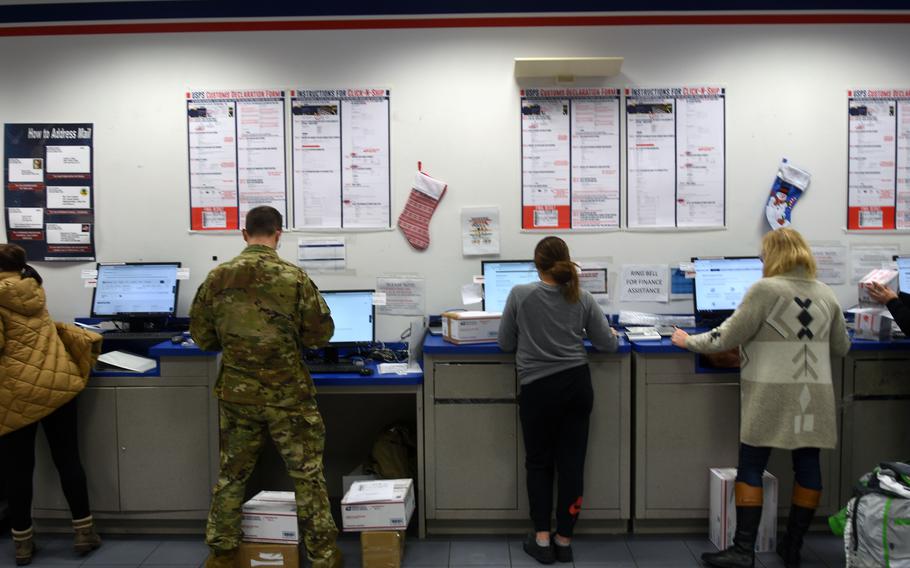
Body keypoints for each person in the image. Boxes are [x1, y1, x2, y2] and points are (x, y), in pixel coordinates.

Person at [671, 228, 850, 568]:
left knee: (752, 465)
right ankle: (793, 546)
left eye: (764, 255)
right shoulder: (826, 294)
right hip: (813, 396)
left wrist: (687, 341)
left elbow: (726, 335)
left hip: (771, 391)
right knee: (808, 465)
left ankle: (742, 551)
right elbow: (842, 347)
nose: (762, 260)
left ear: (773, 256)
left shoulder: (765, 290)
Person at [190, 206, 342, 568]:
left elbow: (203, 338)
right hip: (288, 394)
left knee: (232, 474)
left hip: (237, 395)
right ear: (278, 234)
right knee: (307, 475)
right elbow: (321, 335)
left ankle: (222, 554)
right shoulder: (294, 277)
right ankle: (322, 556)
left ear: (244, 234)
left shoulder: (216, 278)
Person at [498, 236, 619, 565]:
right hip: (576, 386)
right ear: (566, 260)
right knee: (572, 464)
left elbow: (505, 342)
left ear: (536, 263)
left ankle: (541, 539)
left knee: (539, 462)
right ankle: (564, 540)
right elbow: (607, 344)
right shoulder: (582, 296)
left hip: (537, 389)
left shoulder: (519, 295)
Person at [0, 244, 103, 566]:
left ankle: (23, 543)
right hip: (58, 385)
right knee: (68, 459)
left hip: (17, 394)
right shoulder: (33, 286)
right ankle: (84, 532)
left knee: (18, 470)